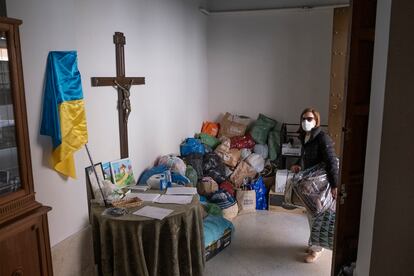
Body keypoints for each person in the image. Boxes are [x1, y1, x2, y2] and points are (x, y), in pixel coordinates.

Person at [290, 107, 338, 263]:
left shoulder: (322, 138)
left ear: (316, 121)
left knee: (317, 216)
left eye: (309, 119)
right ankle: (313, 244)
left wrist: (335, 185)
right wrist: (298, 164)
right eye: (303, 119)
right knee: (311, 215)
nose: (306, 122)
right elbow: (304, 156)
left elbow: (331, 162)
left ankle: (316, 250)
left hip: (321, 185)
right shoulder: (306, 136)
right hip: (311, 185)